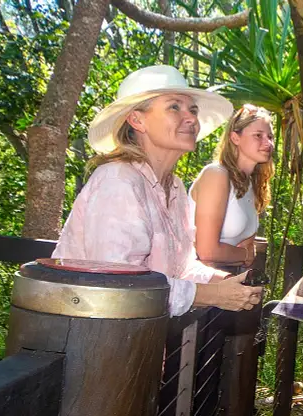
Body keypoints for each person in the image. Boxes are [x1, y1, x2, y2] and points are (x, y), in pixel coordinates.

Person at [52, 65, 262, 316]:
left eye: (193, 109)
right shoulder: (118, 181)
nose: (192, 118)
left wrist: (226, 281)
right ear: (137, 120)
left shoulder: (174, 188)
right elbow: (121, 285)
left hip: (139, 338)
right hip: (86, 339)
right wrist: (213, 295)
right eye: (174, 107)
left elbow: (179, 269)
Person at [189, 104, 275, 266]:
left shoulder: (252, 185)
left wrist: (244, 254)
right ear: (235, 138)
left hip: (227, 279)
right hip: (195, 282)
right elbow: (206, 252)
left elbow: (248, 247)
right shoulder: (216, 174)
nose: (268, 143)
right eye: (258, 135)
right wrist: (245, 255)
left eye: (270, 137)